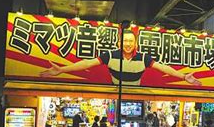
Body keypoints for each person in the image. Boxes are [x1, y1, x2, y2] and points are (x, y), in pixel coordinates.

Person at [40, 30, 202, 86]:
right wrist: (62, 70)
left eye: (131, 41)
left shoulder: (143, 58)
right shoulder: (110, 55)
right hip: (114, 89)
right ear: (119, 42)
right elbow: (87, 63)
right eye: (125, 41)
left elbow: (163, 67)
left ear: (135, 43)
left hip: (135, 94)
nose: (128, 44)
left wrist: (183, 76)